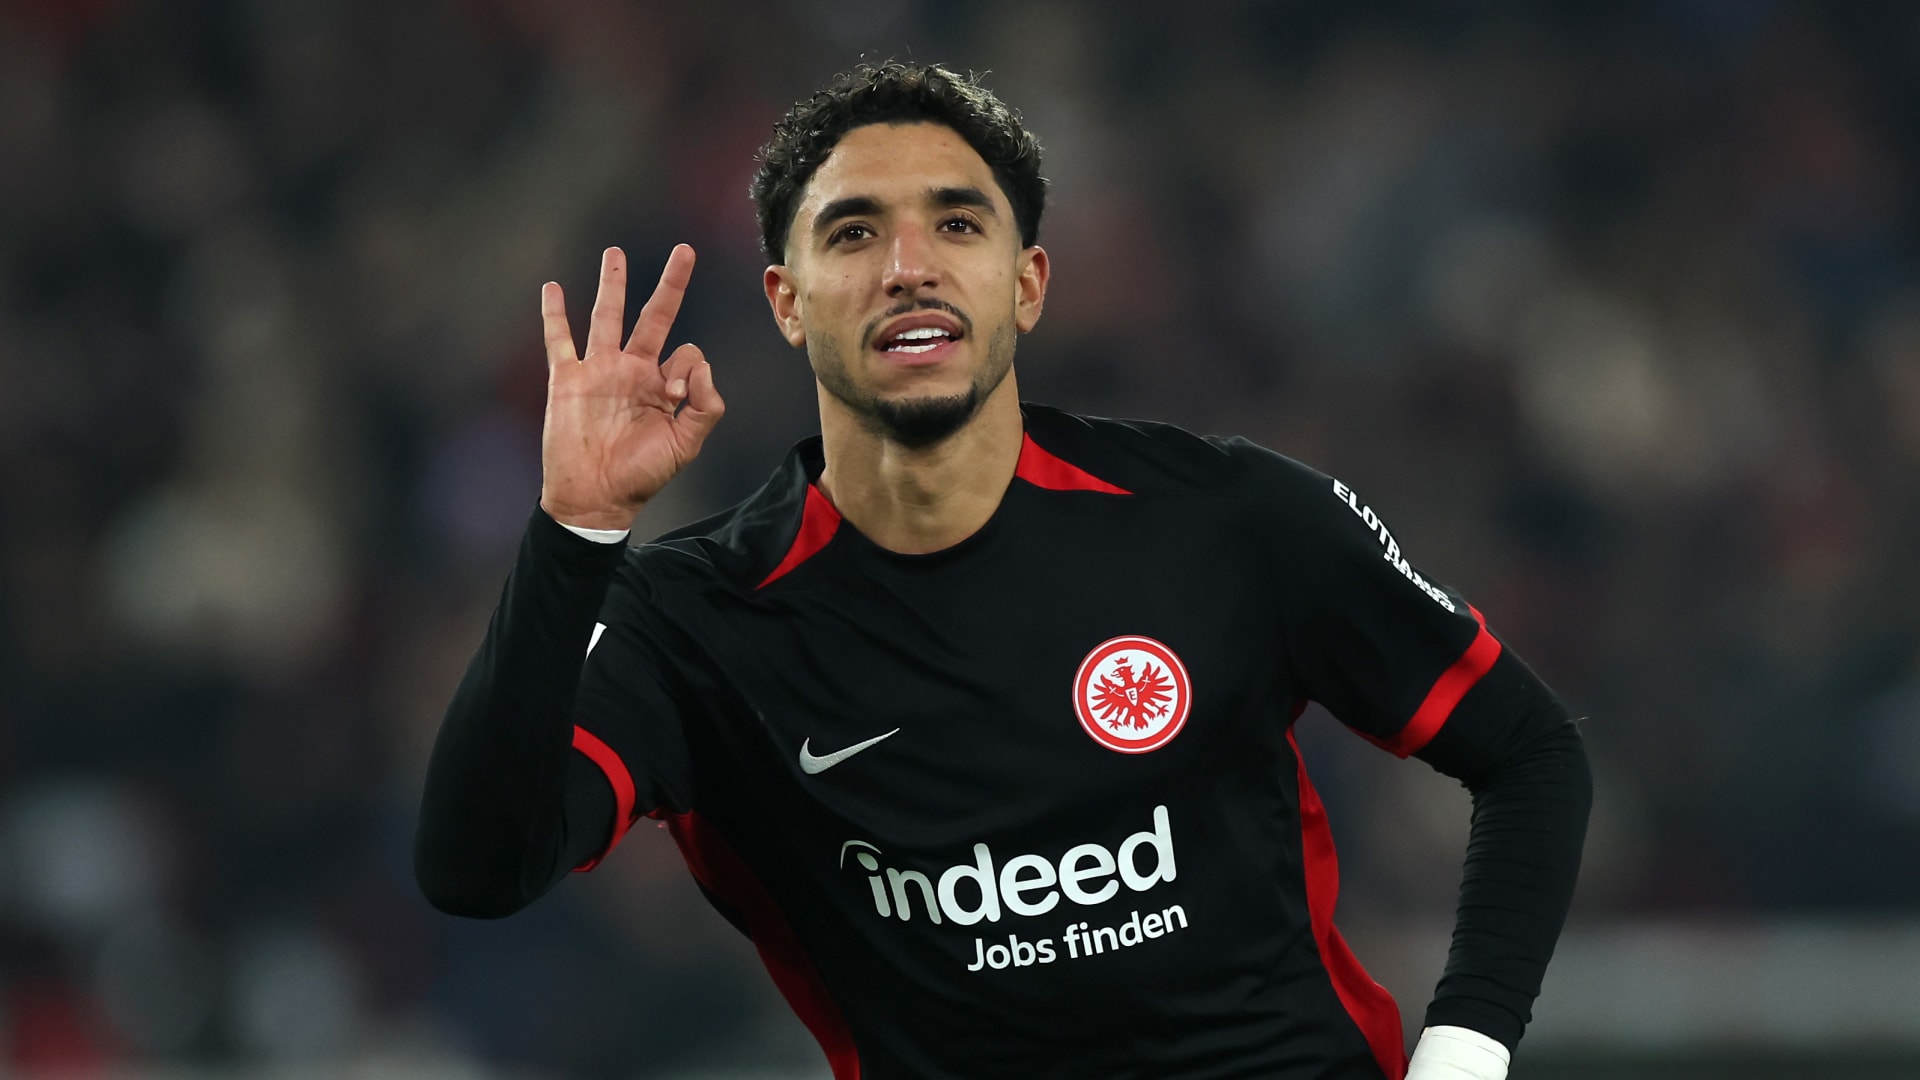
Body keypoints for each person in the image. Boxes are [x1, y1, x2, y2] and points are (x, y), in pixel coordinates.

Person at [414, 61, 1591, 1080]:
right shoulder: (695, 622)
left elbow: (1530, 752)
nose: (908, 267)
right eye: (853, 232)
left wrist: (1463, 1052)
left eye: (958, 225)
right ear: (786, 302)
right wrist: (573, 535)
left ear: (1026, 284)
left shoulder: (1231, 519)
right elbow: (477, 869)